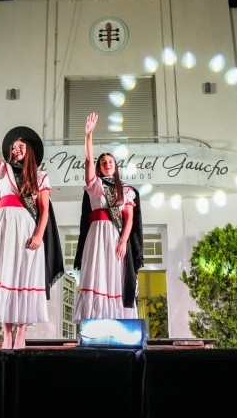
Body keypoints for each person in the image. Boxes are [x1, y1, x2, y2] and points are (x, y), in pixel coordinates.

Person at [0, 101, 63, 349]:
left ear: (28, 151)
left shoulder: (40, 177)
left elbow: (44, 210)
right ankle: (7, 332)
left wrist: (39, 235)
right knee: (5, 273)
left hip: (27, 228)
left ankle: (21, 332)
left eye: (20, 146)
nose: (16, 150)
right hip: (4, 227)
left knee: (23, 275)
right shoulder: (3, 170)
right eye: (13, 147)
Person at [73, 112, 144, 322]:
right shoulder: (96, 186)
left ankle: (116, 319)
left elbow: (129, 219)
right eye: (103, 162)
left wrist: (123, 242)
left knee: (114, 275)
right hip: (96, 235)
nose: (107, 163)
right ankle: (95, 319)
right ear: (100, 167)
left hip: (115, 238)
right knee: (96, 273)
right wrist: (88, 135)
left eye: (110, 160)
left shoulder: (127, 190)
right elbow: (88, 159)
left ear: (116, 165)